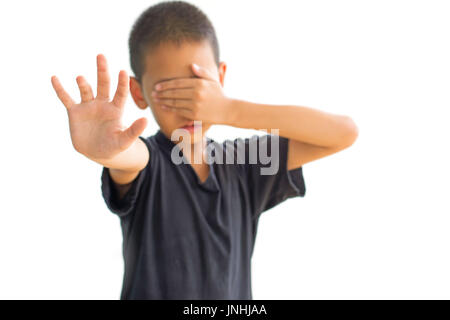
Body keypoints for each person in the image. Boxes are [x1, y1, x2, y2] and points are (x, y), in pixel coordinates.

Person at [50, 1, 358, 300]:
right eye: (169, 93)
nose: (189, 107)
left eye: (198, 88)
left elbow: (343, 133)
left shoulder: (244, 164)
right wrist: (104, 150)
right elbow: (128, 158)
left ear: (220, 77)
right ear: (138, 92)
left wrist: (229, 109)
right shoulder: (149, 160)